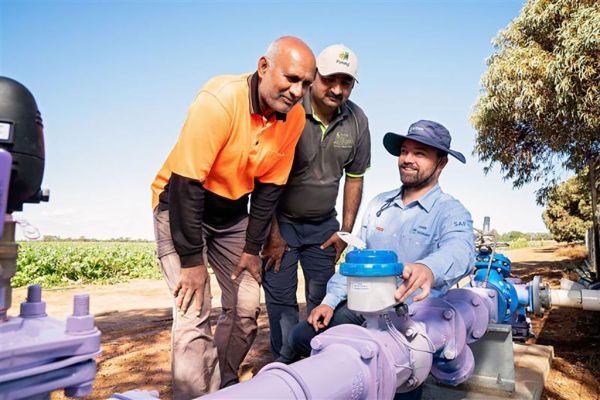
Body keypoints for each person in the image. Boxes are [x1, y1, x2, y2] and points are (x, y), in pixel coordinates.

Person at [151, 36, 316, 399]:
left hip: (231, 215)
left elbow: (269, 189)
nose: (297, 91)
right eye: (290, 78)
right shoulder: (219, 100)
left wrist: (251, 248)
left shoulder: (296, 117)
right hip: (179, 207)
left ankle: (222, 388)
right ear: (263, 67)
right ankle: (195, 394)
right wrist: (192, 261)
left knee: (244, 309)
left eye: (305, 84)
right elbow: (186, 185)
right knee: (193, 312)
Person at [289, 120, 475, 399]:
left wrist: (428, 268)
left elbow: (462, 251)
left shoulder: (450, 211)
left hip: (410, 318)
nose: (407, 159)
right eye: (404, 151)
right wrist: (329, 301)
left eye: (420, 153)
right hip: (364, 307)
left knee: (396, 381)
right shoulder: (378, 205)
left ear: (441, 163)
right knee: (302, 338)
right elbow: (355, 259)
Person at [260, 44, 371, 363]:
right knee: (281, 299)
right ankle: (284, 366)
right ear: (314, 77)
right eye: (330, 79)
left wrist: (346, 232)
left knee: (323, 298)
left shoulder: (357, 120)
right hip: (281, 225)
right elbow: (263, 176)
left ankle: (317, 366)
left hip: (325, 228)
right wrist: (272, 233)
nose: (337, 89)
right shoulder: (289, 109)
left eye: (346, 82)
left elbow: (356, 176)